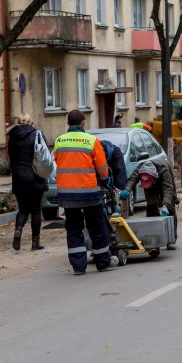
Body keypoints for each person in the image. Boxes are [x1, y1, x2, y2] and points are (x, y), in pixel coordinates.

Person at [54, 109, 118, 275]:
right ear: (83, 123)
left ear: (68, 123)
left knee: (74, 229)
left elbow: (58, 164)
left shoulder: (59, 141)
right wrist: (105, 182)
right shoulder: (91, 141)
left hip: (67, 195)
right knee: (97, 227)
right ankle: (102, 263)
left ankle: (78, 267)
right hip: (89, 193)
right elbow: (102, 168)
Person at [6, 113, 48, 252]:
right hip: (35, 175)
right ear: (31, 121)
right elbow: (44, 153)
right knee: (36, 210)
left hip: (19, 177)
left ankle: (18, 230)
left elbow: (11, 158)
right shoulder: (37, 134)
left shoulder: (12, 137)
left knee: (23, 208)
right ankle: (35, 243)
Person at [119, 160, 179, 250]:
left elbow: (168, 188)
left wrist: (165, 205)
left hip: (166, 184)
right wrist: (127, 189)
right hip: (150, 185)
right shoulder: (140, 168)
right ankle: (153, 238)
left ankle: (171, 239)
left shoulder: (163, 170)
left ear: (154, 178)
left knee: (170, 207)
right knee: (151, 208)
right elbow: (132, 179)